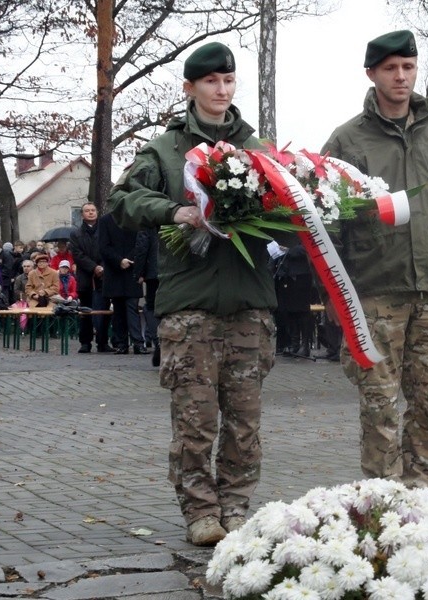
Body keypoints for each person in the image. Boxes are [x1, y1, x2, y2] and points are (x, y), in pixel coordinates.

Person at [107, 41, 275, 546]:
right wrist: (173, 210)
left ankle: (238, 507)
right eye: (210, 82)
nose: (221, 90)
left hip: (249, 304)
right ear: (190, 88)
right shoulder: (165, 149)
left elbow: (288, 210)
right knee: (195, 421)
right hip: (190, 309)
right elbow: (122, 199)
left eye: (228, 81)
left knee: (244, 422)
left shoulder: (258, 150)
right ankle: (201, 511)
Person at [321, 30, 428, 490]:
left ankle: (426, 502)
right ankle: (384, 503)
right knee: (380, 406)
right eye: (390, 68)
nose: (401, 76)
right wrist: (333, 291)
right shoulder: (347, 140)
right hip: (373, 296)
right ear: (371, 74)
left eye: (408, 67)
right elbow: (325, 221)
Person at [98, 213, 147, 355]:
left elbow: (141, 243)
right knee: (118, 309)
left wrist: (130, 260)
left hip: (133, 269)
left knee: (132, 307)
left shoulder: (135, 217)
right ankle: (121, 343)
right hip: (114, 271)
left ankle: (138, 342)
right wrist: (119, 260)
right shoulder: (106, 221)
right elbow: (103, 246)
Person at [70, 202, 113, 353]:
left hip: (103, 277)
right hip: (85, 277)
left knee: (103, 310)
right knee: (85, 312)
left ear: (97, 212)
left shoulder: (105, 230)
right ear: (82, 214)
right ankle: (85, 342)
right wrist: (93, 267)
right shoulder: (76, 233)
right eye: (87, 211)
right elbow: (77, 255)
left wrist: (102, 267)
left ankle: (103, 342)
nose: (90, 213)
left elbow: (109, 249)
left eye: (93, 210)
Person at [133, 227, 160, 366]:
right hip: (174, 272)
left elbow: (142, 248)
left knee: (151, 306)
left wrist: (139, 272)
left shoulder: (149, 220)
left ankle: (158, 340)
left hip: (153, 272)